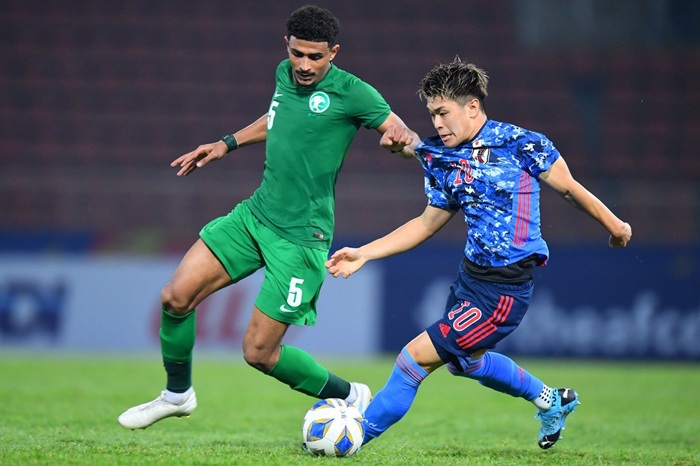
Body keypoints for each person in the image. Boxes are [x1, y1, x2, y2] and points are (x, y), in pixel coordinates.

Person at [118, 5, 418, 430]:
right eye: (297, 54)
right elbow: (278, 118)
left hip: (301, 238)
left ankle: (352, 395)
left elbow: (407, 137)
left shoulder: (354, 93)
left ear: (333, 53)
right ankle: (177, 395)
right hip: (255, 216)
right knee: (175, 297)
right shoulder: (284, 74)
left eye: (315, 57)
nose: (304, 65)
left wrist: (401, 142)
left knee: (259, 353)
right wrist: (227, 143)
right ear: (287, 46)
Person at [326, 57, 632, 449]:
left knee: (412, 359)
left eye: (443, 113)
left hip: (504, 290)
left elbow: (570, 188)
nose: (437, 123)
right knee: (464, 363)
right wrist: (365, 254)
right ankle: (551, 400)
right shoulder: (446, 158)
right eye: (432, 114)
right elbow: (426, 223)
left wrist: (615, 225)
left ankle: (350, 439)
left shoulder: (522, 144)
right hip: (470, 279)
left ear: (472, 106)